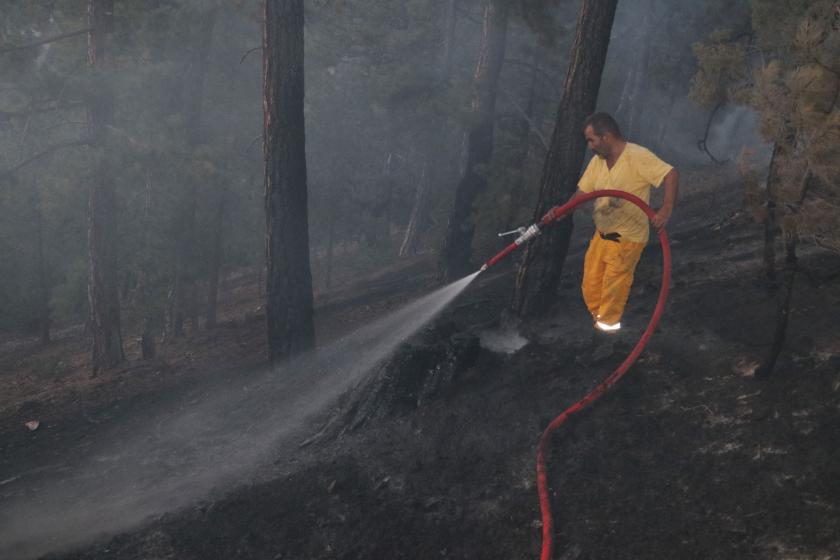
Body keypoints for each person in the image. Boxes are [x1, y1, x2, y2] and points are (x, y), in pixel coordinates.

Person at [573, 112, 678, 333]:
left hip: (627, 239)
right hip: (601, 236)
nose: (589, 146)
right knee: (590, 288)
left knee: (613, 291)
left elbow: (669, 174)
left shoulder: (637, 156)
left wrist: (666, 208)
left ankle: (610, 335)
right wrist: (560, 211)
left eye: (592, 140)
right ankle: (601, 325)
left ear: (607, 137)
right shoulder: (597, 163)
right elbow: (582, 193)